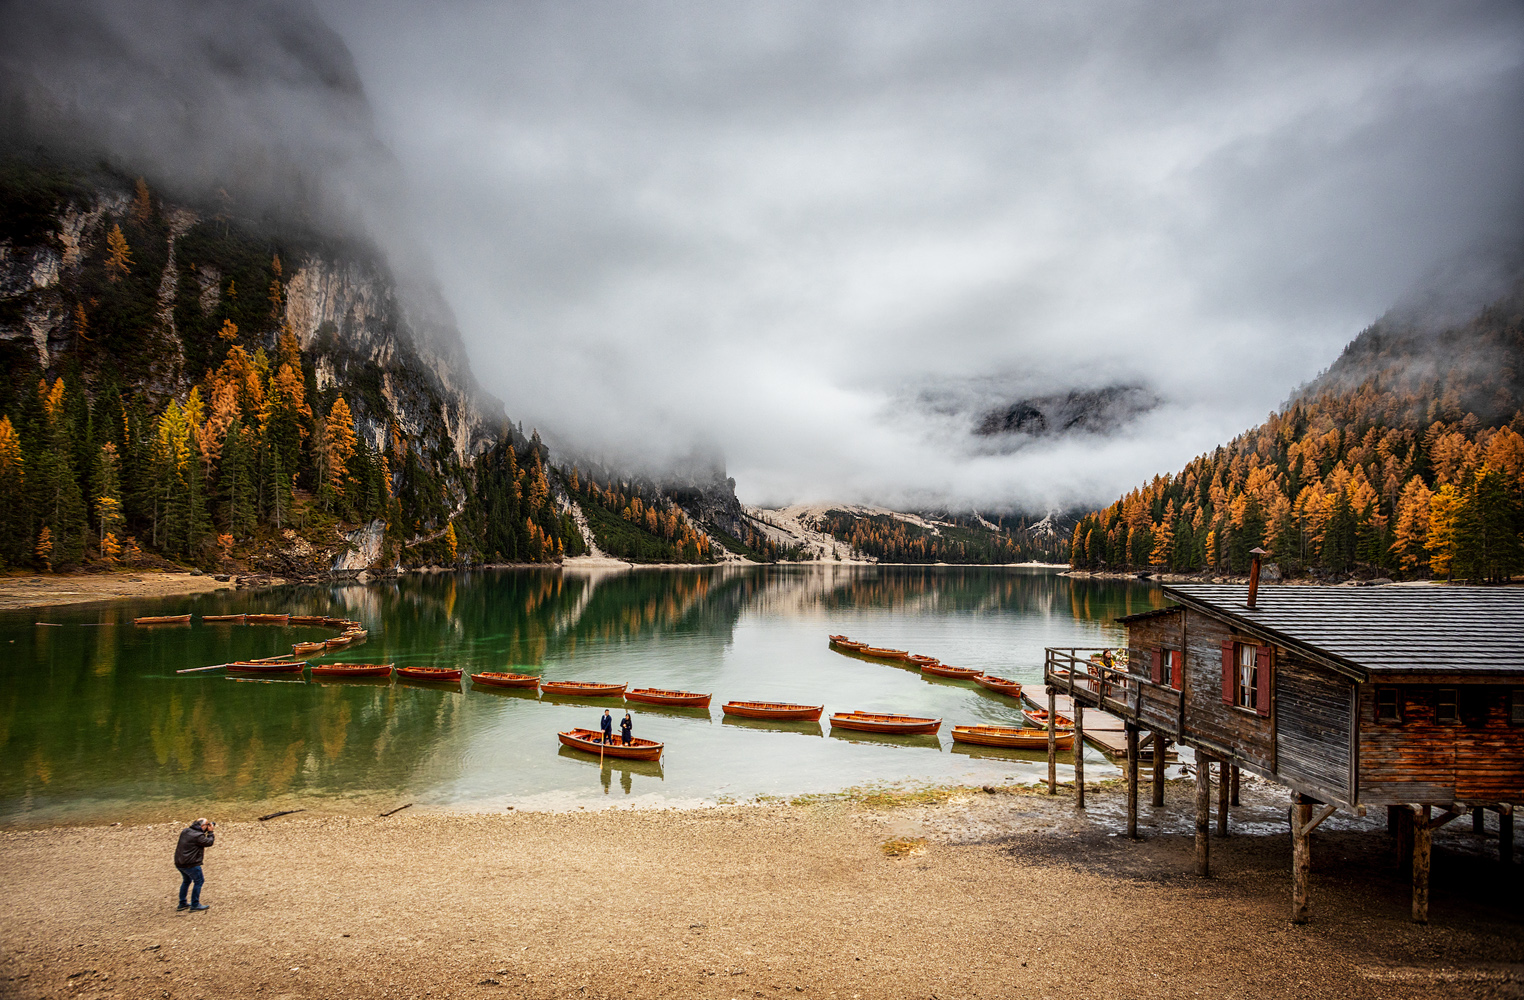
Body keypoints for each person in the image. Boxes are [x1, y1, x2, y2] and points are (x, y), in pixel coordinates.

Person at [174, 818, 216, 912]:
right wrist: (210, 832)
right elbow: (209, 842)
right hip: (190, 864)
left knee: (186, 880)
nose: (208, 825)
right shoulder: (198, 836)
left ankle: (182, 903)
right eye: (207, 824)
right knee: (199, 881)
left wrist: (204, 830)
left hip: (179, 862)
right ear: (202, 826)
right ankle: (195, 904)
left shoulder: (185, 831)